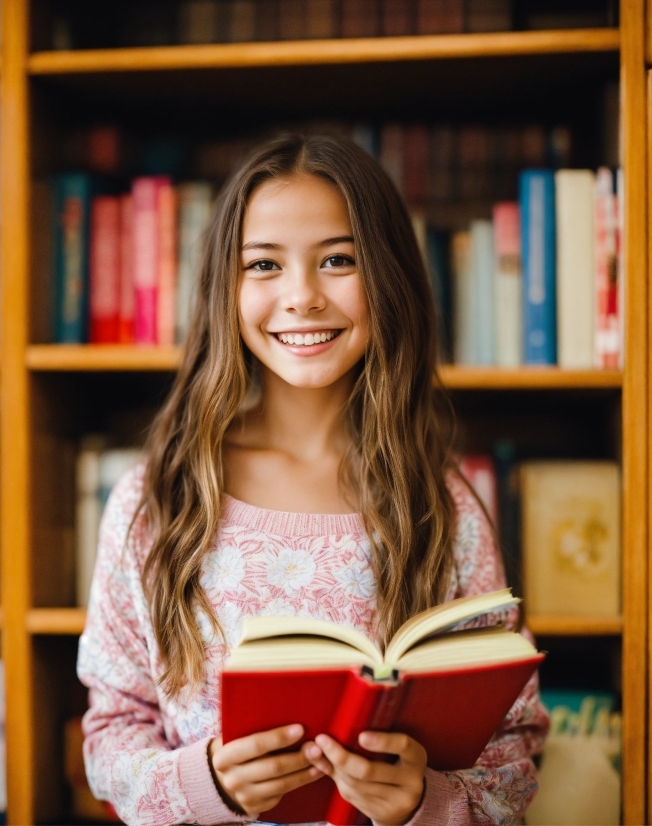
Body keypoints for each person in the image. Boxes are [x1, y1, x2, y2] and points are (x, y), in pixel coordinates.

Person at [77, 132, 549, 826]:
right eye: (264, 264)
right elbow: (110, 736)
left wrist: (425, 802)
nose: (301, 297)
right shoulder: (159, 500)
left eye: (337, 260)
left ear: (387, 276)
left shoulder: (442, 507)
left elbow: (512, 753)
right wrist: (208, 782)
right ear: (224, 289)